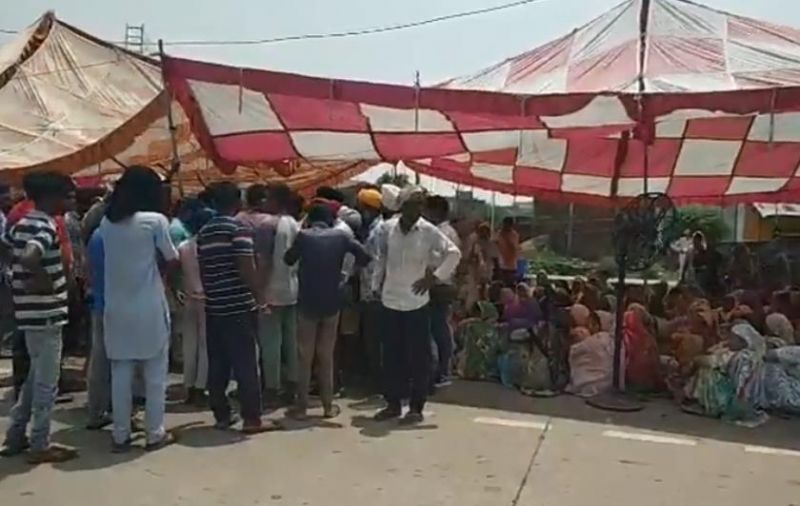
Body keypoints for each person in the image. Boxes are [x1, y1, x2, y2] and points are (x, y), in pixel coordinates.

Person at [99, 166, 178, 453]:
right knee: (155, 374)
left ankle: (120, 434)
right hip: (148, 305)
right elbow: (172, 258)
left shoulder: (107, 223)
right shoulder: (155, 221)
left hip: (116, 306)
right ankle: (154, 433)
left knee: (121, 372)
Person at [0, 172, 77, 463]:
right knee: (47, 382)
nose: (70, 201)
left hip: (29, 310)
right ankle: (40, 443)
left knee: (35, 378)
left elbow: (6, 245)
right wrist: (40, 280)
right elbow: (32, 257)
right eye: (67, 195)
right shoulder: (44, 225)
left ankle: (16, 435)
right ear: (51, 197)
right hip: (46, 312)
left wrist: (19, 274)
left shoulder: (22, 222)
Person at [371, 187, 461, 424]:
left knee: (418, 358)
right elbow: (381, 259)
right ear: (403, 206)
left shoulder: (429, 232)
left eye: (421, 205)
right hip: (390, 299)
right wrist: (375, 286)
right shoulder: (387, 228)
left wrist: (434, 278)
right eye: (413, 204)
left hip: (416, 303)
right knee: (391, 356)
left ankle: (415, 408)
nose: (417, 209)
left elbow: (453, 253)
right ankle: (392, 404)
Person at [284, 204, 370, 419]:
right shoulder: (341, 237)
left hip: (307, 302)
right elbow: (365, 256)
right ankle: (328, 406)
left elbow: (288, 259)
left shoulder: (303, 236)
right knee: (326, 355)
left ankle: (301, 407)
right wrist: (344, 275)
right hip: (332, 301)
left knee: (305, 356)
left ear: (310, 220)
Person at [197, 182, 271, 434]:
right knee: (246, 362)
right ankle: (252, 418)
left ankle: (222, 414)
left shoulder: (204, 232)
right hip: (238, 305)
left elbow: (204, 270)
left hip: (214, 304)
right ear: (237, 202)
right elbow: (246, 268)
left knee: (218, 362)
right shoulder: (238, 229)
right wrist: (260, 297)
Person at [237, 183, 299, 408]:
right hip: (292, 289)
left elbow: (263, 262)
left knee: (271, 342)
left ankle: (272, 387)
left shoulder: (267, 226)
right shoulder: (294, 223)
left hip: (272, 290)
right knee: (291, 341)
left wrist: (259, 292)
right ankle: (293, 385)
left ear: (274, 200)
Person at [178, 205, 215, 406]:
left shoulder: (183, 246)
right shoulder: (208, 246)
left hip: (189, 296)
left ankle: (189, 386)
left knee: (189, 344)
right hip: (207, 299)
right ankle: (201, 387)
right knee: (205, 345)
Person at [424, 195, 461, 387]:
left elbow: (433, 262)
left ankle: (439, 371)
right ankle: (443, 369)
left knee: (435, 329)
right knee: (441, 328)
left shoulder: (440, 233)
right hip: (445, 284)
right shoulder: (449, 231)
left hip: (437, 285)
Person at [356, 188, 385, 387]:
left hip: (374, 293)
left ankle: (377, 381)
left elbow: (374, 263)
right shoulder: (375, 228)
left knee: (375, 340)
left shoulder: (377, 231)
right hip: (372, 291)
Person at [567, 311, 615, 397]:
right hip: (608, 385)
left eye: (594, 323)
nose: (590, 326)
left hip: (591, 385)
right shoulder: (611, 341)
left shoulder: (600, 339)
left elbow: (575, 351)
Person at [495, 217, 521, 287]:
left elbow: (514, 248)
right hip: (500, 264)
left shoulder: (514, 235)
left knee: (510, 285)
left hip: (510, 265)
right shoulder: (499, 233)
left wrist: (506, 238)